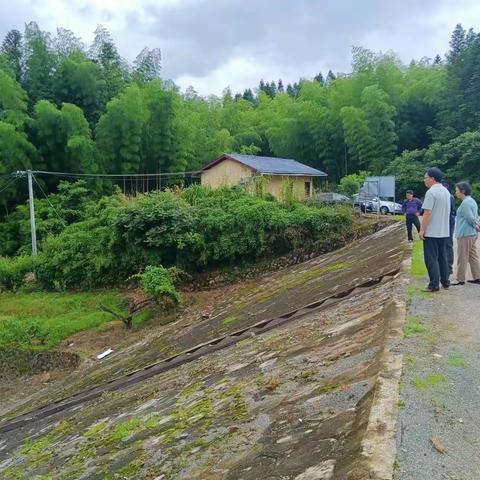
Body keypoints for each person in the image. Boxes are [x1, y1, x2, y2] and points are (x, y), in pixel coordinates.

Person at [419, 168, 451, 292]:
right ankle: (445, 281)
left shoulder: (431, 192)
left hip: (432, 232)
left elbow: (427, 212)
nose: (424, 180)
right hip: (443, 231)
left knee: (431, 258)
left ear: (432, 178)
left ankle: (433, 284)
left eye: (425, 178)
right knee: (442, 257)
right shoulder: (446, 192)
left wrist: (422, 230)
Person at [451, 181, 480, 286]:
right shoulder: (471, 201)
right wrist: (476, 227)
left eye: (457, 191)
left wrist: (476, 226)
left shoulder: (466, 203)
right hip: (471, 234)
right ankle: (477, 277)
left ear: (462, 191)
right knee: (473, 256)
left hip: (465, 234)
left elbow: (470, 218)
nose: (456, 193)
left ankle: (460, 279)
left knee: (462, 256)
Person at [441, 181, 457, 275]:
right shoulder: (448, 196)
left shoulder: (448, 196)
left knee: (448, 244)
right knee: (446, 244)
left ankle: (449, 267)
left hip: (448, 223)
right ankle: (446, 266)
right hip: (448, 222)